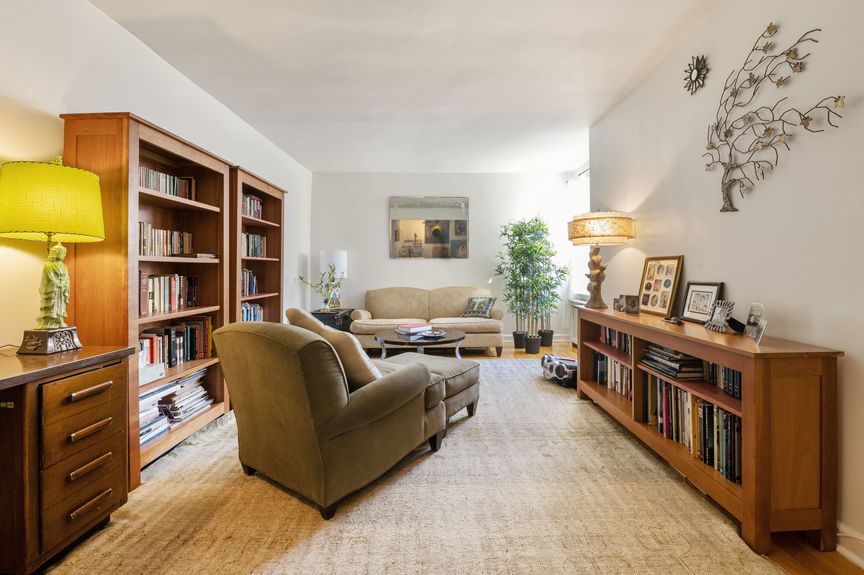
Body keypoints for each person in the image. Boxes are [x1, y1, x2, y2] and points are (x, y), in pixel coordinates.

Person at [37, 243, 70, 329]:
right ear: (56, 253)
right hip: (53, 291)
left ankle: (59, 320)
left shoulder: (64, 266)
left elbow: (67, 278)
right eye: (63, 253)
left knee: (60, 307)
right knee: (52, 307)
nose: (64, 255)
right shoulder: (48, 265)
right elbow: (47, 279)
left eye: (65, 253)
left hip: (61, 290)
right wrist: (55, 284)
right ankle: (49, 322)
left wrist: (64, 284)